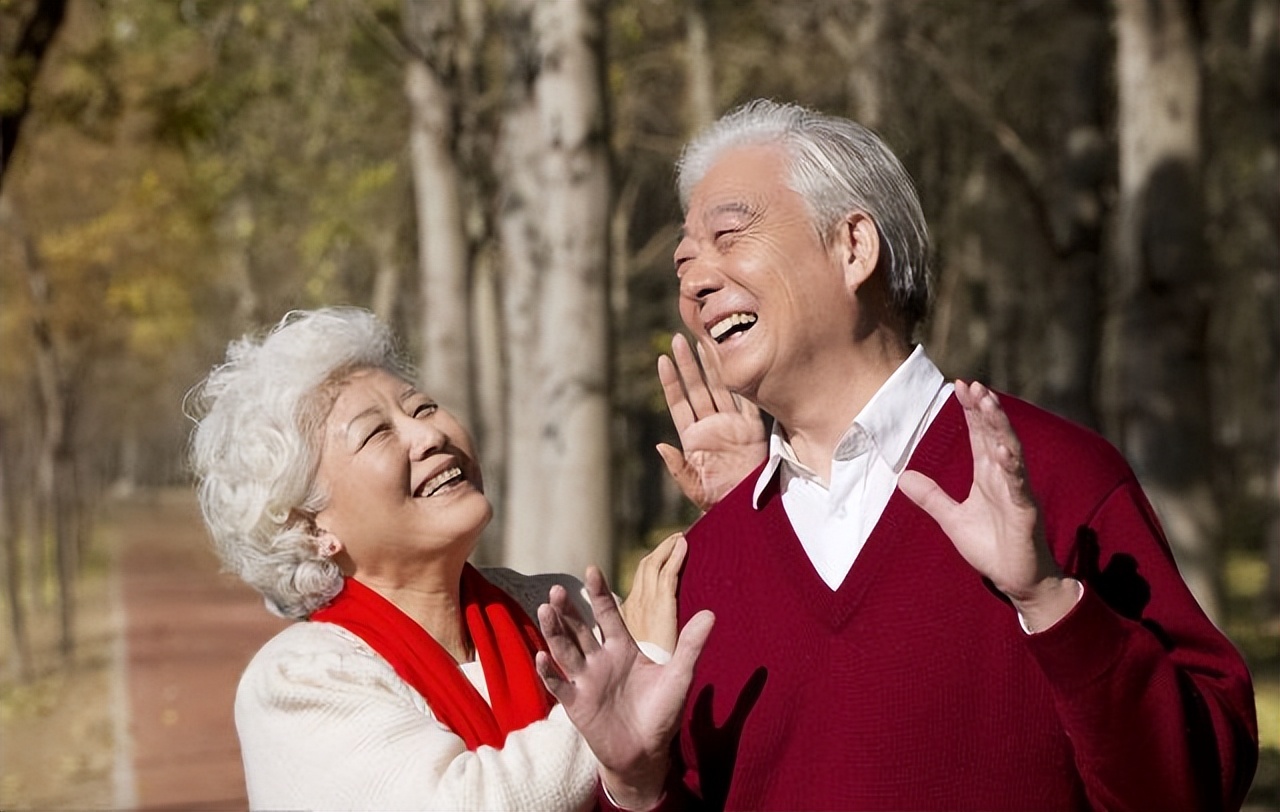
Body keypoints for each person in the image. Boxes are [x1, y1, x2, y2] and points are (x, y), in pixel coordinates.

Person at [536, 100, 1259, 811]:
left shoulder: (1055, 476)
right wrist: (635, 787)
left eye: (729, 235)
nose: (694, 282)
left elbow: (1195, 786)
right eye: (684, 263)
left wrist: (1050, 601)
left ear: (854, 246)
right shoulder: (709, 564)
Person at [186, 306, 713, 810]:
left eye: (422, 407)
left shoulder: (558, 605)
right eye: (376, 432)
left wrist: (741, 498)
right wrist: (628, 676)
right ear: (310, 525)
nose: (429, 435)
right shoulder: (298, 680)